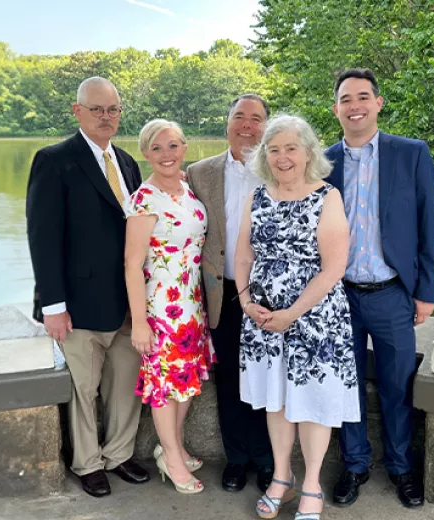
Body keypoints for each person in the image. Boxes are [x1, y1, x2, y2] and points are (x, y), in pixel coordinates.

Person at [26, 77, 149, 498]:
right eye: (96, 109)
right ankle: (87, 463)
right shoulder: (54, 160)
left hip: (128, 304)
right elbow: (43, 238)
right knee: (83, 388)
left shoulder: (128, 163)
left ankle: (118, 454)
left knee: (125, 386)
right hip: (77, 303)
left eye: (112, 109)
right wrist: (52, 305)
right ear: (77, 111)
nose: (105, 116)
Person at [235, 115, 360, 520]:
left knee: (311, 403)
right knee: (276, 401)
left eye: (291, 148)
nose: (282, 157)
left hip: (314, 320)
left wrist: (292, 313)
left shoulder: (328, 196)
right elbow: (243, 255)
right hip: (264, 320)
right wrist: (245, 301)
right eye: (274, 149)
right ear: (264, 156)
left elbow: (333, 268)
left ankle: (311, 486)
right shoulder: (256, 196)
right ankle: (282, 478)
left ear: (308, 152)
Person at [326, 67, 434, 509]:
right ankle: (354, 465)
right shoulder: (324, 161)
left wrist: (425, 291)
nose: (354, 106)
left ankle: (400, 466)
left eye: (362, 97)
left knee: (397, 385)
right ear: (336, 108)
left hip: (393, 293)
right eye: (345, 99)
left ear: (378, 103)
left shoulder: (411, 154)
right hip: (339, 295)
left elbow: (428, 226)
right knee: (345, 383)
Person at [186, 94, 275, 493]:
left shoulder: (280, 169)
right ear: (227, 123)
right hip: (220, 293)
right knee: (229, 381)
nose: (247, 125)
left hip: (270, 294)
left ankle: (268, 460)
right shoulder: (199, 173)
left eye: (256, 119)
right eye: (239, 116)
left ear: (266, 127)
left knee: (269, 378)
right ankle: (237, 459)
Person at [124, 119, 215, 495]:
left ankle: (170, 445)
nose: (166, 154)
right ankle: (173, 458)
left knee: (187, 384)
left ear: (185, 148)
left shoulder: (187, 189)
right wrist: (140, 323)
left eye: (173, 145)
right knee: (165, 386)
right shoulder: (144, 199)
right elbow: (132, 264)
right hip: (162, 308)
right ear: (145, 153)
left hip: (192, 303)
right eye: (157, 148)